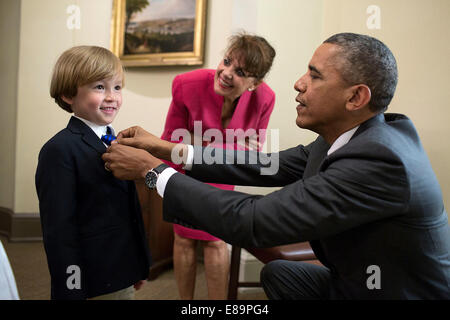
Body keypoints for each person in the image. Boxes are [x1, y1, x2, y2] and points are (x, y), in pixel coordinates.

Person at [102, 33, 450, 299]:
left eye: (314, 76)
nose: (298, 83)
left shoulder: (379, 160)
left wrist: (152, 171)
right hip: (354, 277)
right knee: (280, 274)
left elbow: (253, 221)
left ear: (355, 97)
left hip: (396, 293)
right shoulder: (345, 137)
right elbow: (262, 164)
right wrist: (164, 149)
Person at [160, 32, 276, 299]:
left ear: (254, 82)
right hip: (184, 172)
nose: (225, 73)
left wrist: (198, 143)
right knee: (184, 239)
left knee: (215, 241)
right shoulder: (185, 84)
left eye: (240, 71)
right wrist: (230, 147)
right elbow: (170, 142)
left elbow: (252, 155)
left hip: (223, 174)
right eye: (226, 61)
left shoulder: (265, 99)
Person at [35, 46, 151, 300]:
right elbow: (59, 232)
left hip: (123, 268)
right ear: (68, 94)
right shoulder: (59, 150)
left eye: (117, 87)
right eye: (100, 87)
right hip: (91, 279)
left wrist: (139, 263)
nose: (112, 97)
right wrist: (71, 288)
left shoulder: (117, 141)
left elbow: (130, 212)